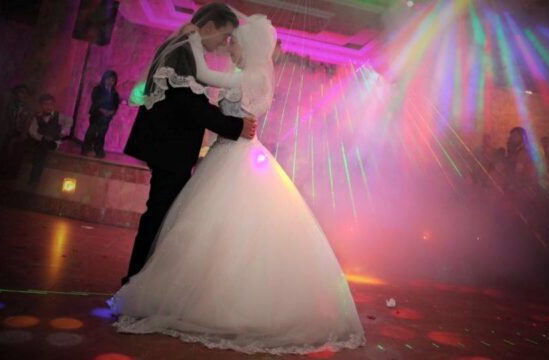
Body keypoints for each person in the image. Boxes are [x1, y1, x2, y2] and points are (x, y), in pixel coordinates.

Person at [109, 12, 366, 355]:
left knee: (221, 227)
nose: (229, 48)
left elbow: (203, 77)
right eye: (229, 41)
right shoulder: (247, 74)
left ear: (250, 47)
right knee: (203, 227)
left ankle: (208, 297)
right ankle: (186, 289)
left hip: (235, 155)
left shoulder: (252, 76)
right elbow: (206, 97)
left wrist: (192, 40)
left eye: (235, 43)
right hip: (224, 152)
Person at [120, 3, 257, 285]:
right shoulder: (183, 51)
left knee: (162, 214)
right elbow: (189, 105)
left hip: (169, 147)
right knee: (158, 215)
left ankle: (143, 280)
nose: (224, 43)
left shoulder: (185, 48)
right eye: (225, 35)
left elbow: (192, 101)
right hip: (169, 148)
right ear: (210, 27)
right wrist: (234, 126)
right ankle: (136, 282)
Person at [27, 94, 72, 186]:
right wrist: (41, 137)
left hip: (53, 142)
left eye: (50, 104)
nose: (48, 107)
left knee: (41, 150)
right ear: (41, 105)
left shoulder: (59, 116)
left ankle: (34, 179)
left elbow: (69, 120)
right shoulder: (38, 117)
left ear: (53, 105)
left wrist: (63, 132)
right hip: (41, 141)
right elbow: (32, 131)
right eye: (45, 104)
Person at [0, 84, 32, 177]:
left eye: (24, 93)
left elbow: (27, 125)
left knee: (16, 151)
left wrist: (21, 135)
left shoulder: (29, 108)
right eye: (20, 92)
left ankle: (10, 174)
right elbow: (4, 119)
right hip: (8, 133)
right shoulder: (9, 106)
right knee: (2, 150)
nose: (22, 95)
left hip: (21, 135)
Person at [81, 70, 120, 158]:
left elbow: (116, 105)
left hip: (107, 117)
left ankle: (98, 150)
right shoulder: (97, 89)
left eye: (112, 80)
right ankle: (86, 148)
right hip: (96, 115)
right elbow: (95, 101)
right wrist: (103, 110)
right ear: (104, 79)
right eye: (108, 79)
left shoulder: (115, 93)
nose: (110, 81)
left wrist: (112, 112)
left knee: (102, 134)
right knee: (91, 132)